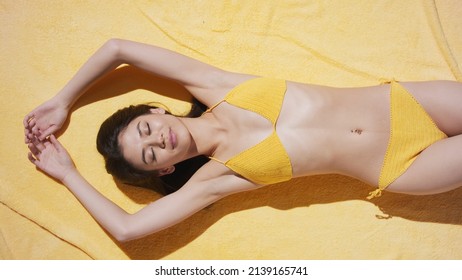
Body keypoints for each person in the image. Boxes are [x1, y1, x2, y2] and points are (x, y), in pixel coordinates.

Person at [24, 39, 462, 242]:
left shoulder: (215, 86)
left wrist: (63, 100)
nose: (157, 139)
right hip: (402, 167)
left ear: (154, 111)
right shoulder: (215, 179)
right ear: (164, 169)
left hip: (404, 102)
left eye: (145, 128)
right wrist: (67, 174)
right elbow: (127, 229)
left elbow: (117, 48)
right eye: (150, 154)